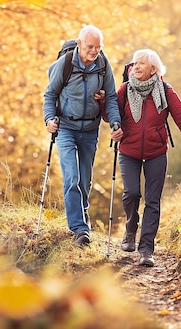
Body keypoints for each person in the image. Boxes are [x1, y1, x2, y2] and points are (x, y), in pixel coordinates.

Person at [105, 49, 181, 266]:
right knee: (132, 193)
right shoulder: (125, 88)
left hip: (156, 153)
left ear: (154, 69)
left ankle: (146, 250)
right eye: (135, 63)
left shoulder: (166, 91)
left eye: (142, 63)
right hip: (128, 151)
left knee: (152, 201)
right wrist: (101, 103)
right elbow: (110, 112)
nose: (136, 67)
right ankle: (130, 228)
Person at [43, 25, 123, 247]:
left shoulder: (103, 65)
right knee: (71, 177)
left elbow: (113, 99)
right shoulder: (65, 64)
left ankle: (82, 213)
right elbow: (50, 94)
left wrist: (115, 121)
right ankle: (79, 228)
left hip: (90, 129)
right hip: (66, 127)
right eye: (90, 47)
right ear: (79, 44)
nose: (94, 51)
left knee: (85, 180)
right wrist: (49, 118)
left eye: (98, 47)